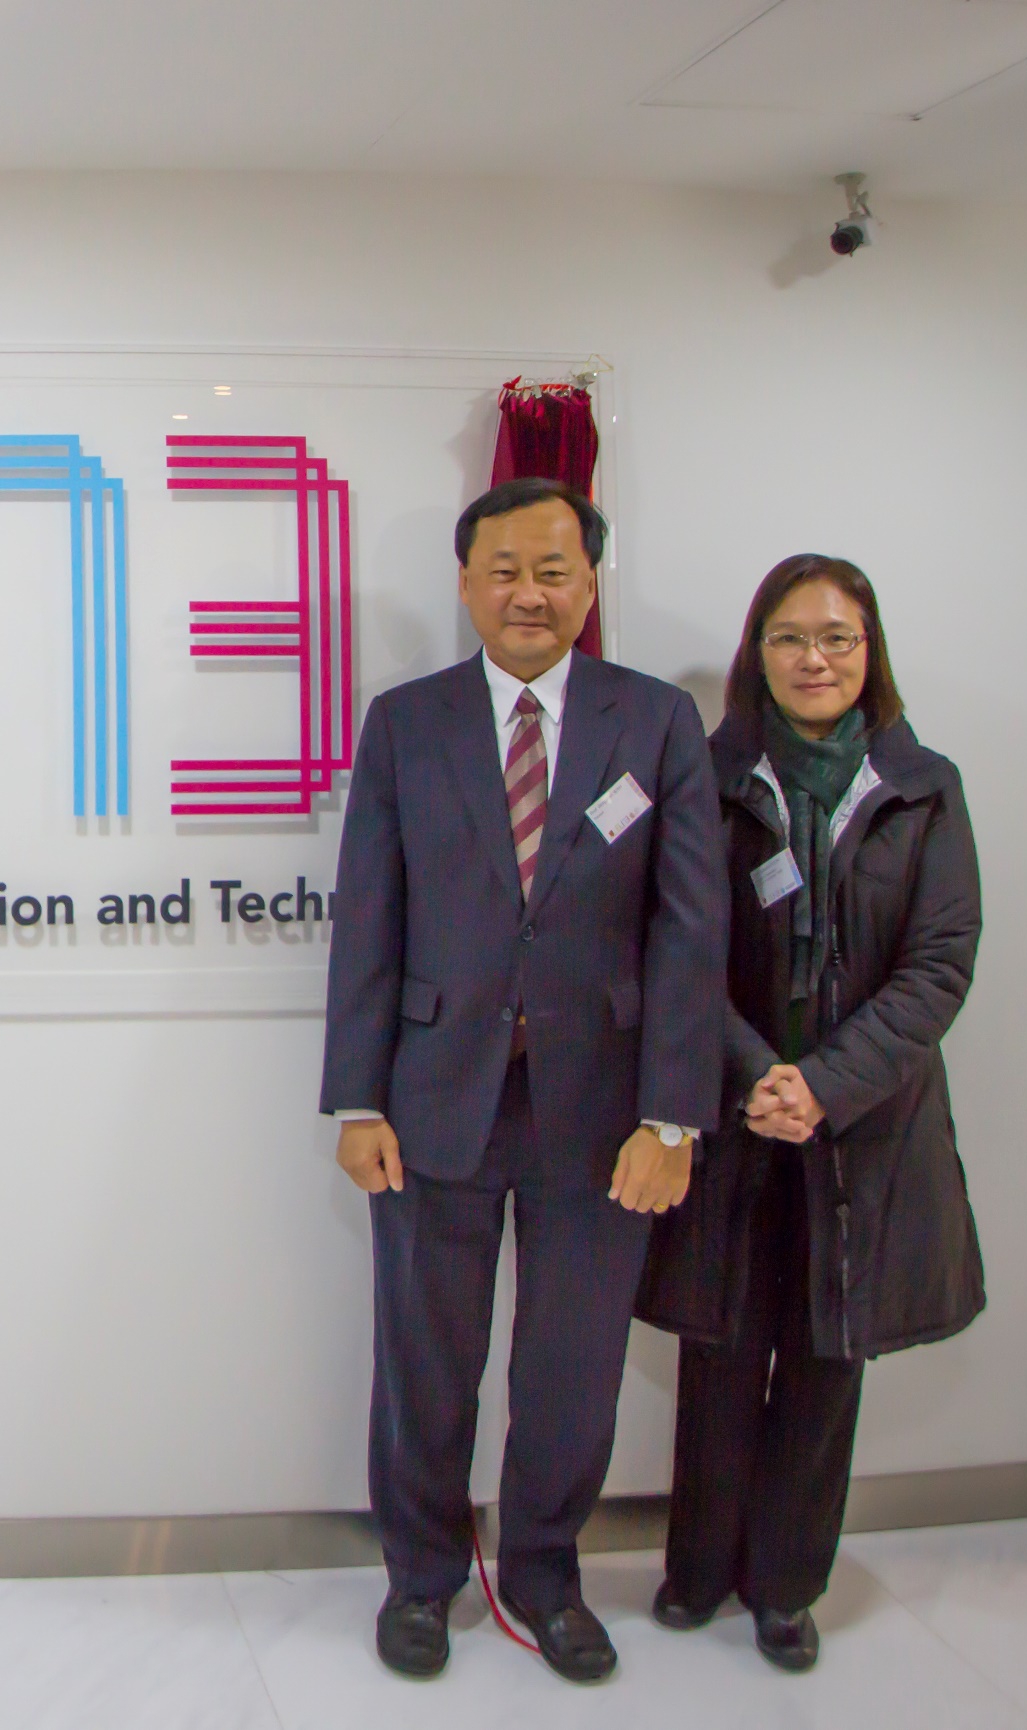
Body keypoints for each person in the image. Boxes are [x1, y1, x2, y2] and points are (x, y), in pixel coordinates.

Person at [319, 475, 725, 1684]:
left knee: (570, 1365)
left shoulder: (653, 723)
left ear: (589, 580)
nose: (527, 592)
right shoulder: (404, 720)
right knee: (423, 1359)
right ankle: (419, 1577)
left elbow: (690, 930)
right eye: (502, 569)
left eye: (552, 568)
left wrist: (672, 1116)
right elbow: (367, 916)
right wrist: (355, 1098)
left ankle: (545, 1573)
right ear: (463, 582)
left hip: (601, 1113)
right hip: (431, 1094)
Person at [638, 556, 983, 1672]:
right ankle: (695, 1568)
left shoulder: (924, 786)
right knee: (721, 1343)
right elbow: (675, 944)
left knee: (829, 1359)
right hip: (736, 1114)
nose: (814, 658)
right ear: (756, 652)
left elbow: (938, 965)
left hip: (865, 1124)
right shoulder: (707, 773)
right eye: (789, 637)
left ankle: (785, 1584)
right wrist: (756, 1075)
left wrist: (824, 1083)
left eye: (836, 637)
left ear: (868, 650)